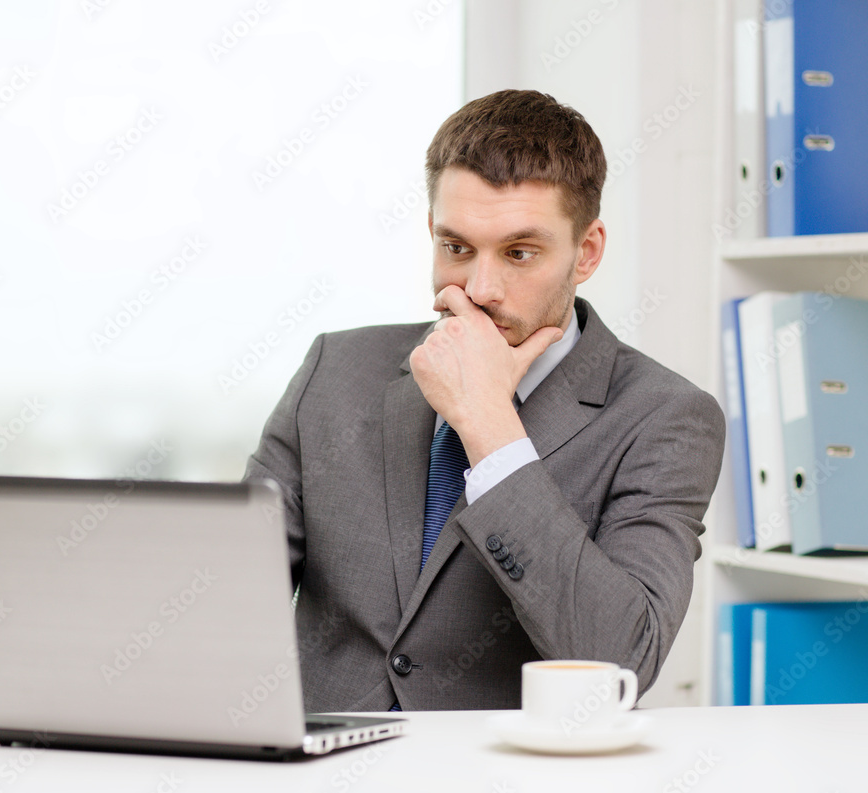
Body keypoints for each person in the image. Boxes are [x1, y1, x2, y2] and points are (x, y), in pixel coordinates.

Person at [244, 89, 725, 712]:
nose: (479, 288)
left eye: (519, 253)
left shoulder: (666, 418)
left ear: (586, 252)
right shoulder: (334, 370)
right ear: (432, 231)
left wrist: (490, 427)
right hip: (323, 754)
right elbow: (231, 599)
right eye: (457, 248)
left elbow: (619, 662)